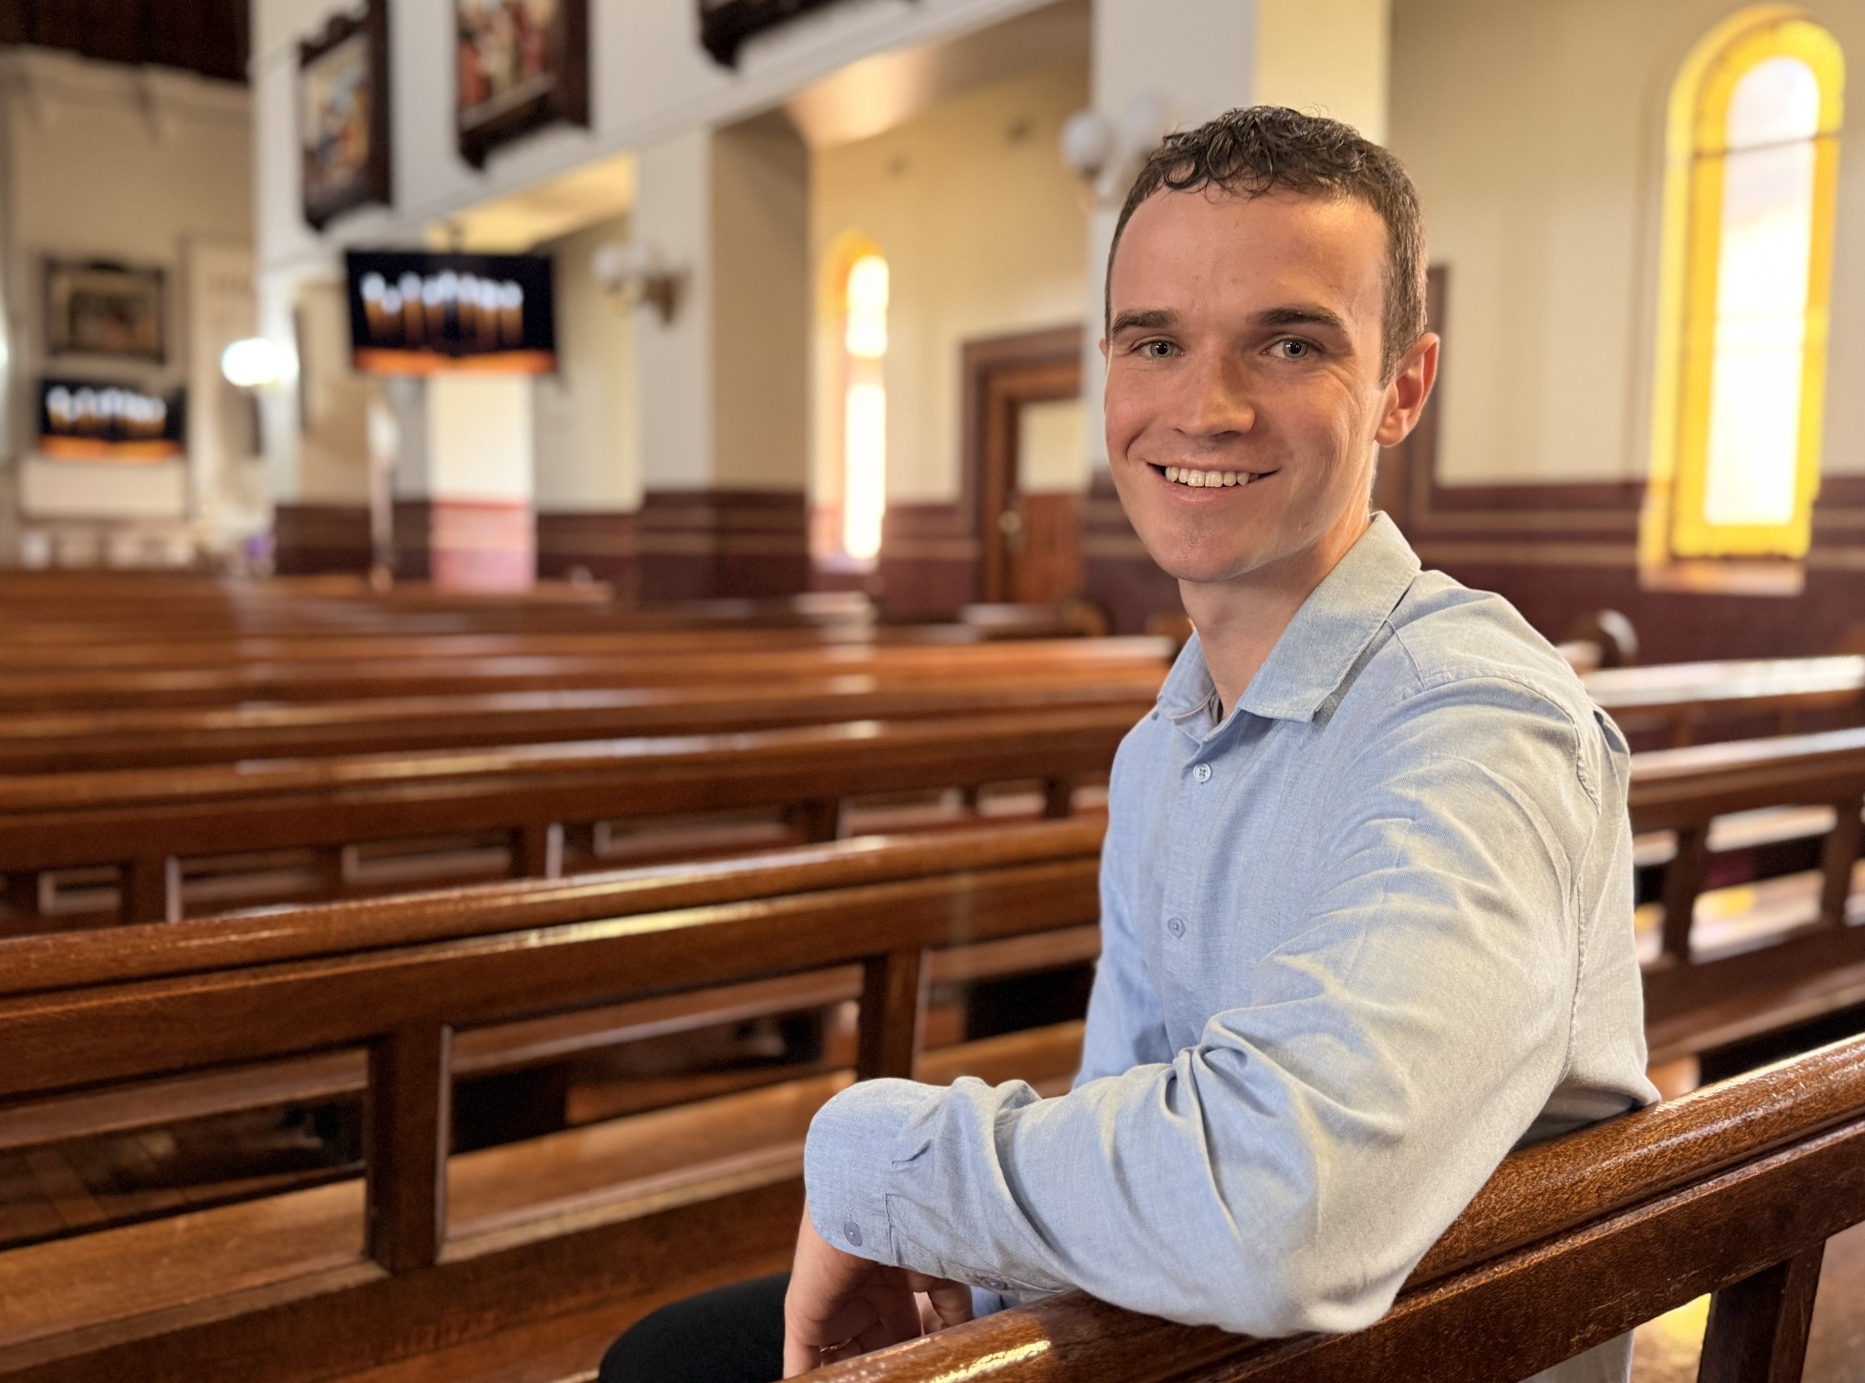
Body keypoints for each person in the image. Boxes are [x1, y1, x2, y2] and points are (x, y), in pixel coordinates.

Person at [600, 106, 1658, 1383]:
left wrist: (880, 1161)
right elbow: (1135, 1105)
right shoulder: (1167, 739)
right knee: (681, 1359)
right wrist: (971, 1272)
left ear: (1403, 388)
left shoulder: (1474, 725)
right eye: (1155, 342)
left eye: (1288, 343)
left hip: (1396, 1350)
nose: (1203, 409)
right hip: (1205, 1335)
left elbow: (1281, 1215)